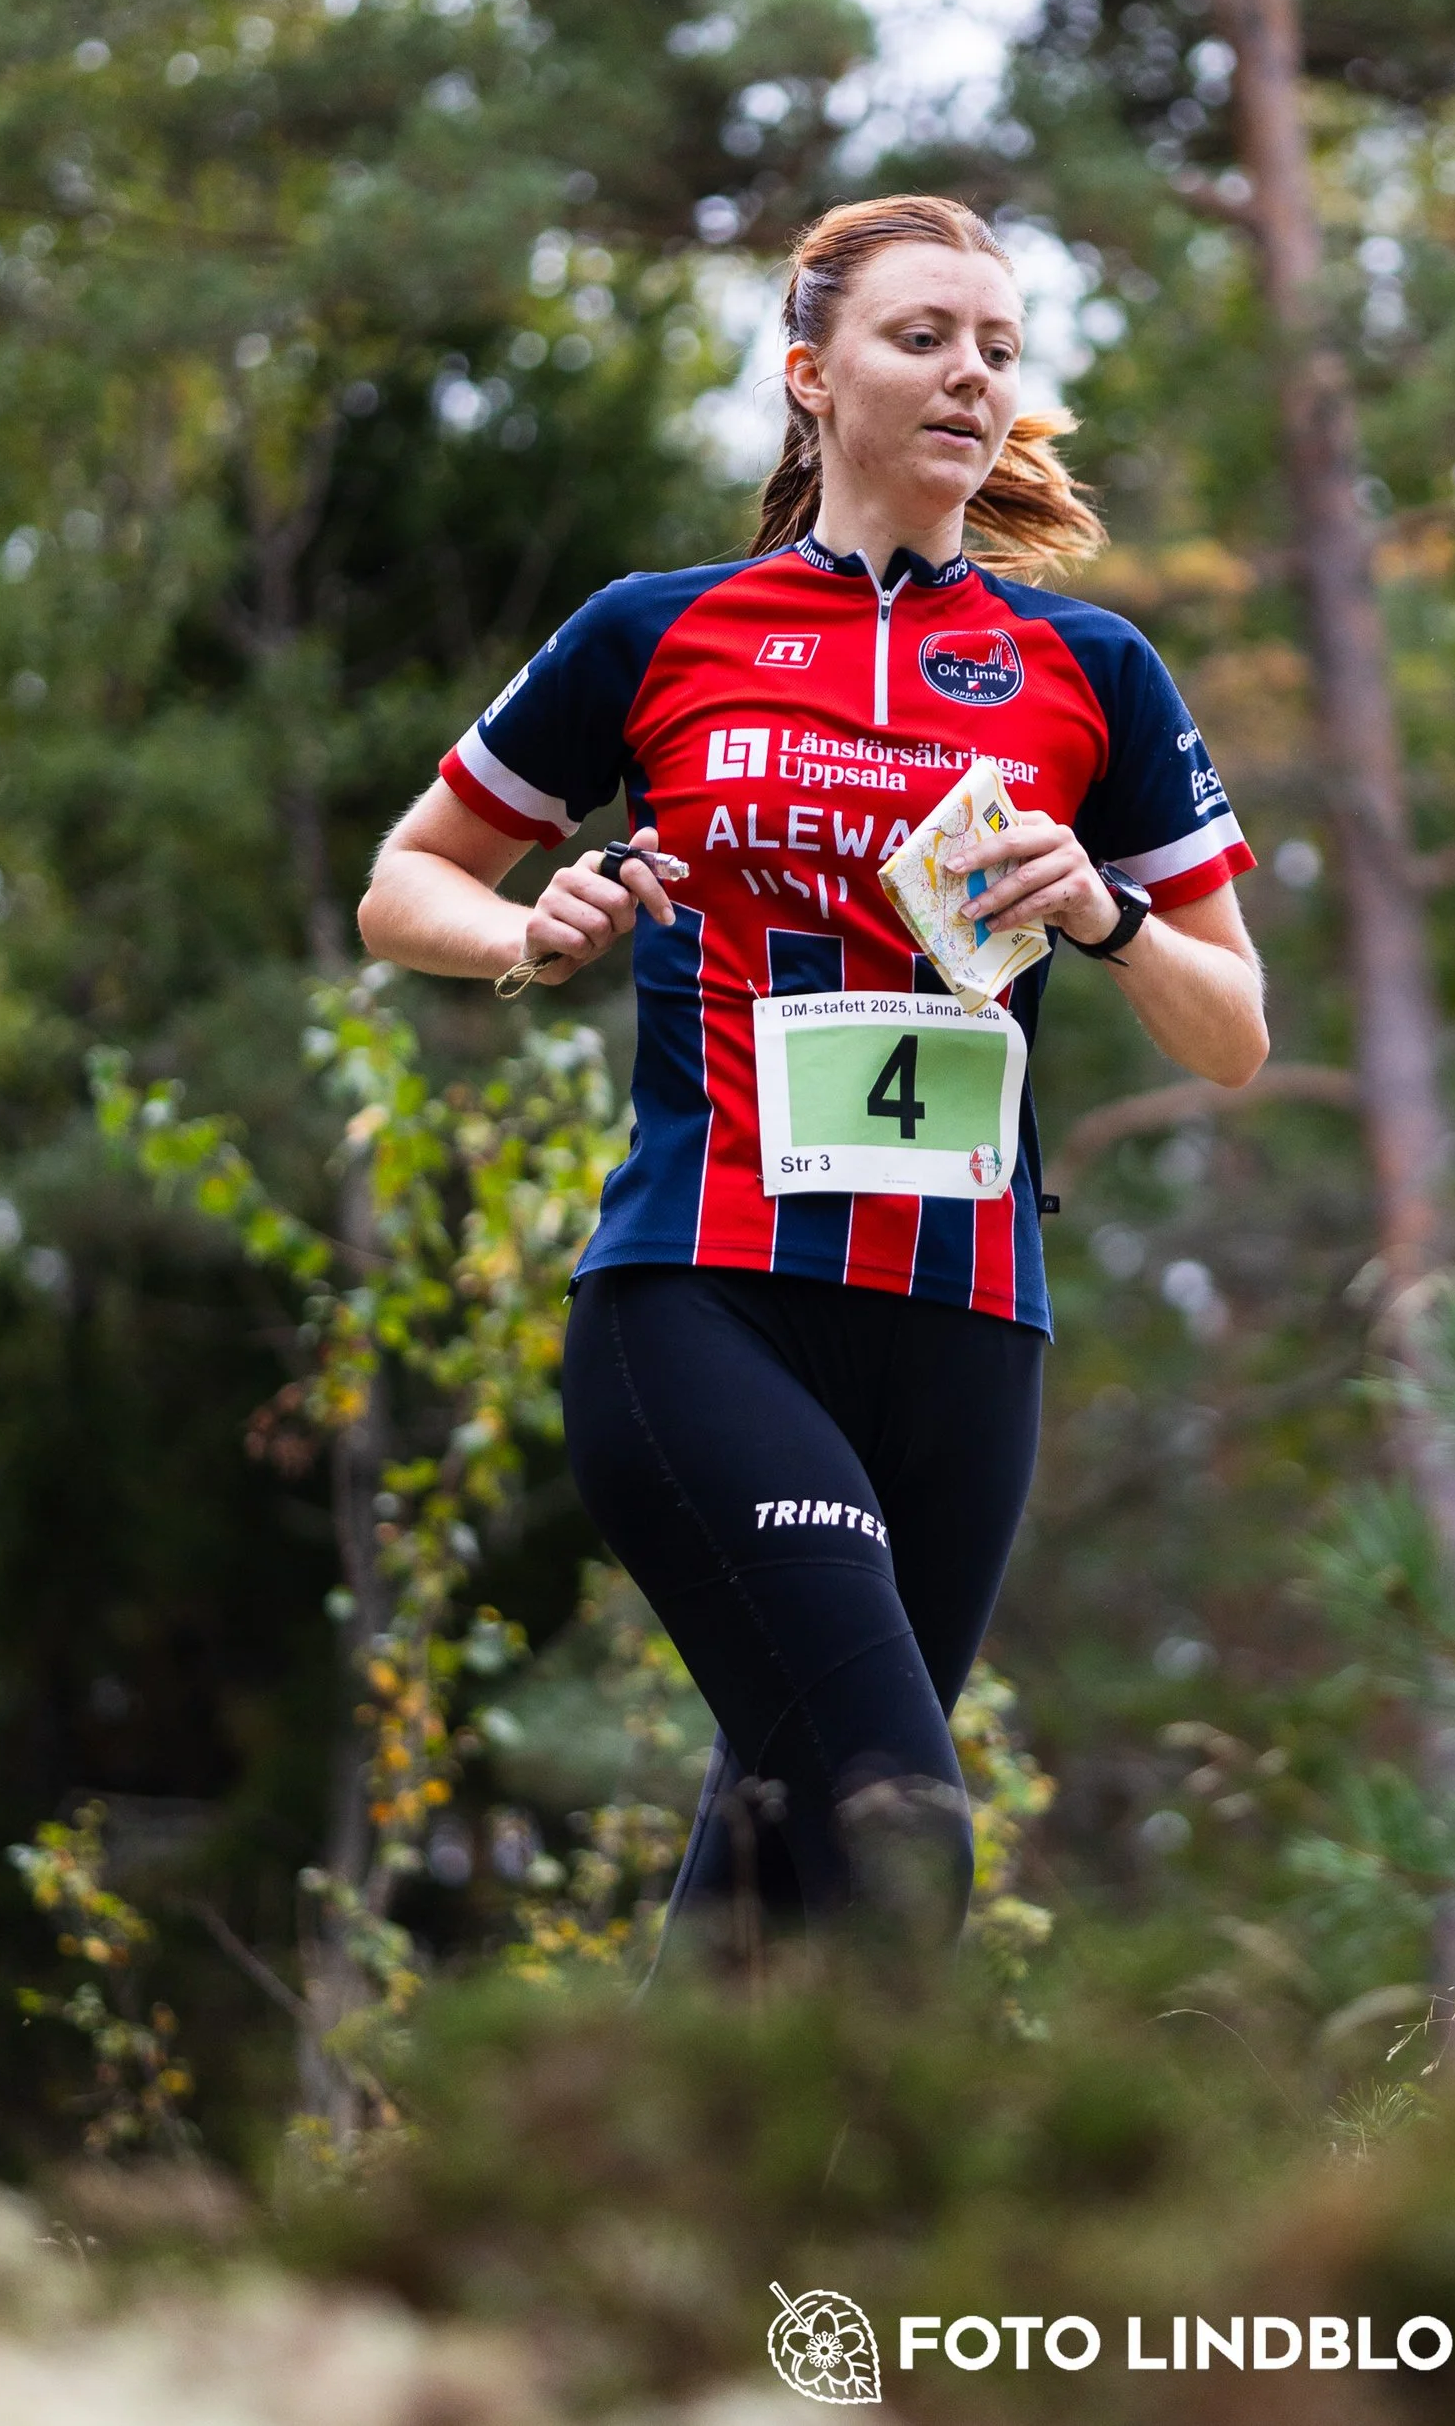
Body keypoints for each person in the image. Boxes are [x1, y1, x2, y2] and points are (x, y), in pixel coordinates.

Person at [357, 194, 1266, 1951]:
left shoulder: (1092, 670)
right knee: (900, 1831)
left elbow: (1233, 1032)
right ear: (809, 378)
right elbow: (407, 885)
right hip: (707, 1299)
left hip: (967, 1323)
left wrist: (1103, 915)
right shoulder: (655, 632)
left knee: (788, 1871)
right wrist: (532, 935)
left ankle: (620, 2223)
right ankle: (909, 2232)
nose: (971, 377)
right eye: (923, 337)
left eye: (1000, 349)